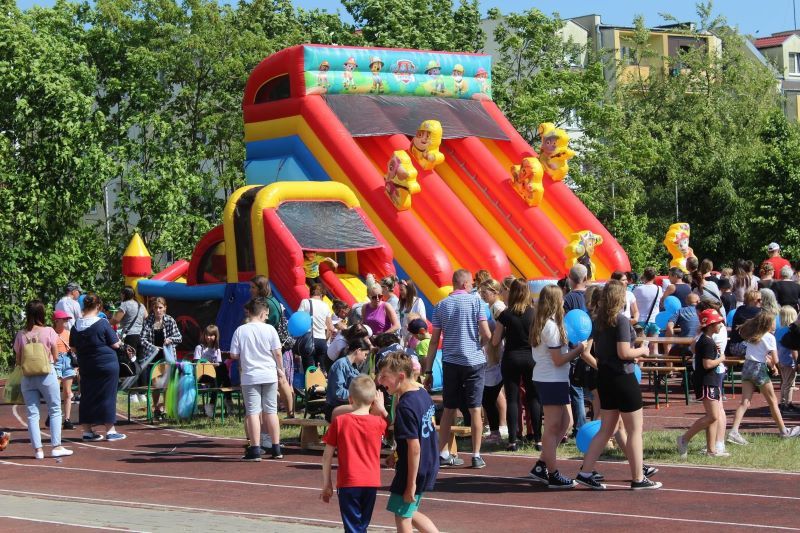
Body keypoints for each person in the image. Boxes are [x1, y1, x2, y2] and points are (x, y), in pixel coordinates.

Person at [574, 281, 661, 490]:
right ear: (619, 298)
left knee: (606, 428)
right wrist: (642, 351)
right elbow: (624, 352)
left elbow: (598, 351)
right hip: (622, 377)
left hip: (605, 377)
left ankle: (585, 471)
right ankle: (638, 478)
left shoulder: (598, 321)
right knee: (634, 430)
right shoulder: (620, 320)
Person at [423, 269, 491, 469]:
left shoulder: (440, 305)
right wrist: (478, 345)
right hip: (474, 361)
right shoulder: (476, 302)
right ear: (464, 284)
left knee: (448, 408)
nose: (472, 286)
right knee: (475, 408)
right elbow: (486, 334)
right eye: (470, 283)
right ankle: (476, 455)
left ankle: (443, 452)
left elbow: (434, 341)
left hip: (451, 361)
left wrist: (429, 370)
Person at [527, 286, 585, 488]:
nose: (563, 302)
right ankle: (552, 474)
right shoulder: (550, 326)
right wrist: (579, 350)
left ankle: (542, 464)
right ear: (555, 302)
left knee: (566, 422)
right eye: (561, 299)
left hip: (554, 378)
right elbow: (558, 360)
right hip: (551, 379)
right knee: (552, 427)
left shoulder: (546, 322)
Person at [377, 352, 439, 533]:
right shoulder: (422, 393)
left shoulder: (405, 407)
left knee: (402, 515)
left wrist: (411, 484)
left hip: (414, 468)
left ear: (401, 376)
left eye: (384, 376)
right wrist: (396, 454)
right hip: (427, 463)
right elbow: (426, 431)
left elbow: (414, 448)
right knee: (408, 511)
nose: (380, 381)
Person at [321, 375, 389, 533]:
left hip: (349, 482)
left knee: (353, 528)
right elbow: (391, 423)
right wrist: (382, 409)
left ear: (350, 399)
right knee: (361, 526)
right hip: (371, 482)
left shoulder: (340, 422)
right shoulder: (379, 423)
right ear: (373, 401)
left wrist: (327, 483)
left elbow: (327, 456)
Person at [728, 312, 800, 444]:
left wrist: (771, 365)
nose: (775, 324)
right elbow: (775, 359)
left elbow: (759, 354)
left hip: (747, 367)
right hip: (759, 369)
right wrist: (775, 366)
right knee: (773, 402)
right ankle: (784, 431)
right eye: (773, 321)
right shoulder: (770, 337)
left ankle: (733, 431)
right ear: (769, 324)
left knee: (745, 402)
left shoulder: (753, 335)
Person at [14, 301, 73, 459]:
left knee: (32, 414)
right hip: (47, 374)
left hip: (27, 377)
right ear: (42, 314)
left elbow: (18, 360)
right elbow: (55, 356)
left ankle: (38, 450)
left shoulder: (21, 334)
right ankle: (56, 446)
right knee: (54, 409)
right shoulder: (48, 331)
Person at [231, 297, 286, 461]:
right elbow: (278, 353)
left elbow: (234, 354)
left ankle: (255, 449)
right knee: (271, 411)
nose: (267, 317)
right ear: (262, 313)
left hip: (250, 375)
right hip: (269, 374)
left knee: (253, 412)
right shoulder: (270, 329)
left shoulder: (240, 330)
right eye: (267, 314)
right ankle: (276, 448)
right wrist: (281, 370)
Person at [70, 294, 126, 442]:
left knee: (87, 396)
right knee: (107, 395)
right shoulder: (102, 323)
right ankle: (110, 431)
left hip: (86, 364)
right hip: (106, 363)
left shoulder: (76, 325)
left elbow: (73, 348)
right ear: (98, 306)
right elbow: (115, 344)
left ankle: (87, 432)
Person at [493, 278, 540, 451]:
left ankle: (512, 440)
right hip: (530, 357)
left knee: (512, 399)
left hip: (511, 357)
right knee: (533, 397)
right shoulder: (534, 313)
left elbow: (495, 341)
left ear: (512, 293)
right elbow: (538, 338)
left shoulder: (505, 314)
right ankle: (538, 439)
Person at [676, 309, 729, 458]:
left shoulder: (705, 340)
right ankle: (684, 438)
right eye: (718, 322)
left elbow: (695, 350)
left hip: (710, 380)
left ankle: (711, 450)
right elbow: (707, 364)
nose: (721, 325)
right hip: (707, 381)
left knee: (713, 416)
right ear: (711, 325)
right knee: (712, 416)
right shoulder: (707, 341)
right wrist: (721, 358)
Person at [250, 275, 294, 416]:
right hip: (277, 346)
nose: (251, 290)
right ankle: (286, 411)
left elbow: (268, 326)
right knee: (280, 380)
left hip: (274, 347)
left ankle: (288, 412)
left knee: (281, 379)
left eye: (253, 287)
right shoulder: (273, 300)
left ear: (260, 288)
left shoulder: (265, 303)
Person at [140, 297, 182, 418]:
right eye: (155, 308)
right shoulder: (148, 321)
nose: (158, 310)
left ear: (165, 308)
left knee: (167, 384)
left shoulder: (170, 320)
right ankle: (156, 407)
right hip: (153, 356)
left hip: (168, 357)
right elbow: (142, 339)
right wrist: (153, 347)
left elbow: (179, 337)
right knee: (156, 384)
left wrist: (170, 339)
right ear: (152, 309)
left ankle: (165, 407)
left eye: (160, 307)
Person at [478, 279, 508, 445]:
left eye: (485, 292)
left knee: (493, 394)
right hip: (494, 352)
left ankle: (500, 426)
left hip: (497, 353)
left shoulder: (497, 307)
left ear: (495, 292)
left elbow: (500, 331)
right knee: (492, 395)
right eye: (481, 292)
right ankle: (497, 427)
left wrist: (494, 347)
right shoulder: (492, 307)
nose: (482, 295)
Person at [564, 264, 589, 438]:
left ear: (569, 279)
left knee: (575, 388)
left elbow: (564, 324)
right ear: (586, 278)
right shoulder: (592, 295)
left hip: (574, 347)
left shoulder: (568, 299)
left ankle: (580, 426)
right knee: (594, 389)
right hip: (591, 346)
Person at [110, 286, 147, 401]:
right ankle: (142, 393)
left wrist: (106, 322)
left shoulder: (125, 305)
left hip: (130, 336)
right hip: (141, 336)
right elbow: (146, 316)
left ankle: (133, 394)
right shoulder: (141, 305)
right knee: (140, 363)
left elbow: (116, 320)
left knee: (130, 363)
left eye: (121, 294)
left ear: (124, 294)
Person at [325, 337, 371, 421]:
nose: (365, 358)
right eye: (365, 354)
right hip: (334, 407)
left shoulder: (353, 367)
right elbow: (338, 392)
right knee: (364, 409)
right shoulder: (340, 364)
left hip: (346, 404)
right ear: (358, 350)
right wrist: (358, 395)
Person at [194, 324, 230, 418]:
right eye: (207, 335)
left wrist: (216, 365)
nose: (209, 337)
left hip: (214, 375)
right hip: (202, 375)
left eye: (211, 335)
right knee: (222, 374)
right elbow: (197, 363)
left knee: (221, 372)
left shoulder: (217, 350)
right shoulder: (200, 348)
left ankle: (212, 404)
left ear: (216, 336)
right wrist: (209, 364)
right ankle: (228, 401)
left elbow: (219, 363)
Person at [298, 284, 335, 370]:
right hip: (321, 341)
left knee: (309, 372)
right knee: (321, 371)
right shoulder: (325, 306)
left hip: (308, 341)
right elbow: (330, 327)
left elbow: (299, 320)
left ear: (310, 293)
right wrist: (325, 339)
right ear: (322, 295)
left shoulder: (305, 302)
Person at [52, 309, 77, 429]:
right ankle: (53, 415)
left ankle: (67, 419)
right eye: (64, 319)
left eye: (67, 319)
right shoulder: (50, 333)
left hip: (67, 361)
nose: (67, 322)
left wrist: (76, 366)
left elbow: (74, 349)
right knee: (54, 391)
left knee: (67, 392)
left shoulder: (69, 333)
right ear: (56, 321)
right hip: (55, 361)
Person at [727, 290, 762, 356]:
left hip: (734, 347)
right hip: (742, 347)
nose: (761, 302)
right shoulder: (757, 311)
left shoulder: (740, 309)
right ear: (751, 300)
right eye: (759, 300)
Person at [777, 306, 798, 413]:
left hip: (781, 359)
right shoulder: (790, 331)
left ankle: (783, 402)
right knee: (789, 383)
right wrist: (796, 361)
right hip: (789, 360)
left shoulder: (779, 330)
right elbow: (793, 348)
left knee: (785, 382)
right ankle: (787, 403)